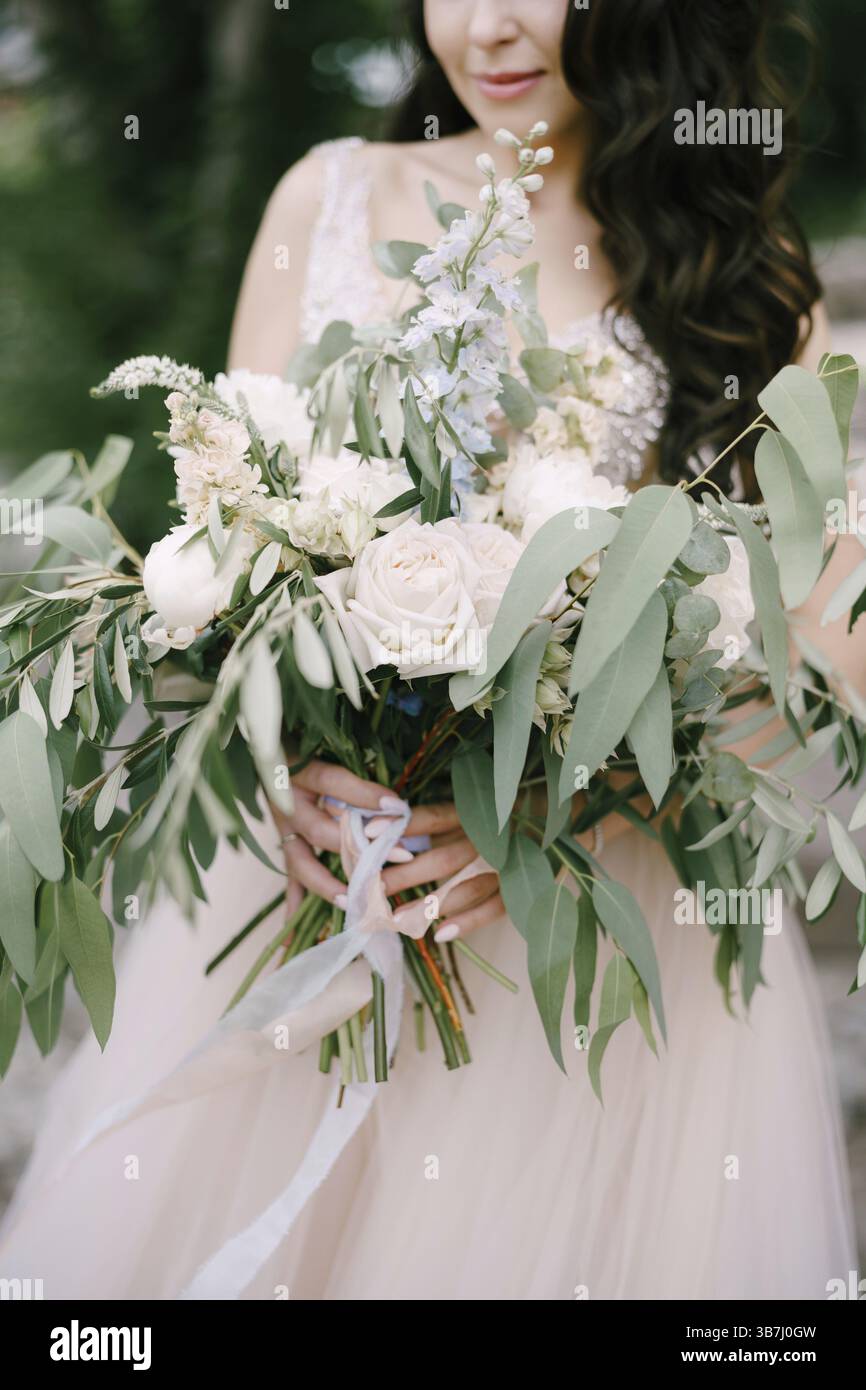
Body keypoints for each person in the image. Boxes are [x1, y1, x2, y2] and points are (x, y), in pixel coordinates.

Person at [1, 0, 861, 1300]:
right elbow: (231, 527)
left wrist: (562, 802)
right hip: (321, 872)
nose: (487, 25)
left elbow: (819, 647)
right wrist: (279, 768)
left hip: (578, 923)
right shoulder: (332, 196)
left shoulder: (738, 276)